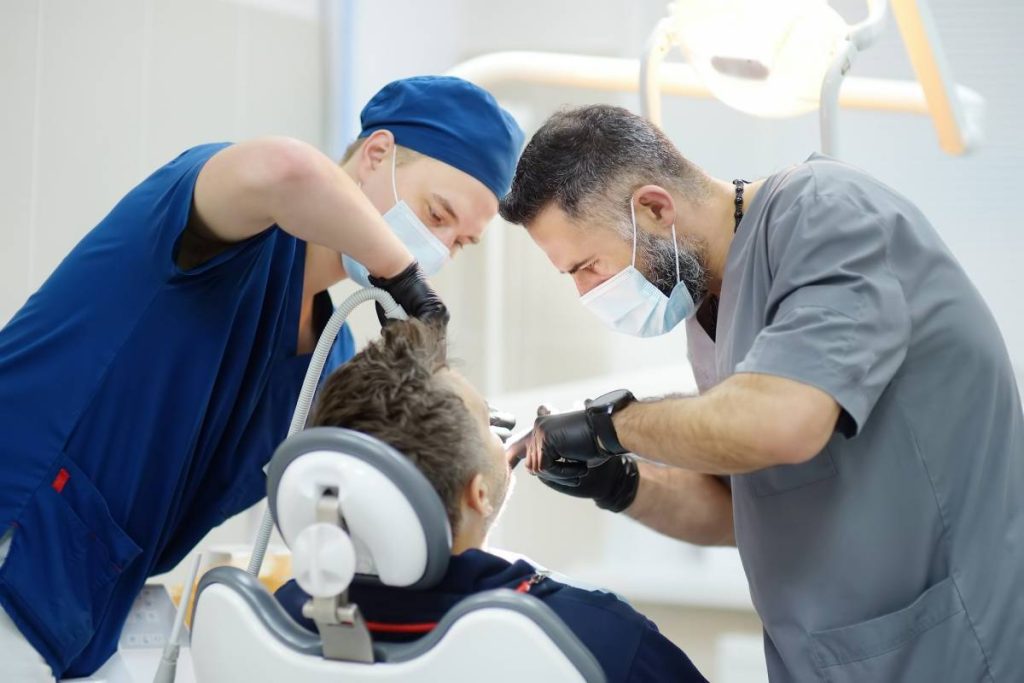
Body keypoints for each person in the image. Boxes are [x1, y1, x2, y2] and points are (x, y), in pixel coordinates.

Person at [0, 76, 523, 680]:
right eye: (437, 215)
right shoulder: (226, 223)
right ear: (376, 155)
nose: (436, 249)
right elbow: (288, 168)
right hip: (20, 537)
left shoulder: (330, 355)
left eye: (459, 243)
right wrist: (401, 275)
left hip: (86, 609)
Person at [498, 104, 1023, 681]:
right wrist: (620, 482)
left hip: (950, 651)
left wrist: (609, 426)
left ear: (653, 208)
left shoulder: (824, 213)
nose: (585, 293)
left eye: (588, 266)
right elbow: (747, 513)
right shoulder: (707, 309)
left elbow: (782, 423)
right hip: (829, 659)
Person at [275, 319, 707, 683]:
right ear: (478, 493)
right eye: (487, 420)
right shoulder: (595, 637)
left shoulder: (286, 620)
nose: (503, 429)